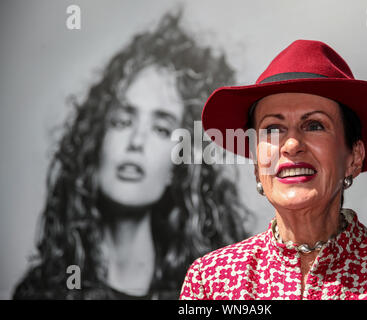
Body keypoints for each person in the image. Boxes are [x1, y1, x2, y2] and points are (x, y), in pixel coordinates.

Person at [180, 39, 367, 300]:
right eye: (273, 129)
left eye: (315, 125)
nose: (292, 145)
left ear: (353, 157)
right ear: (255, 164)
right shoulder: (210, 281)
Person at [13, 11, 250, 300]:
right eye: (122, 122)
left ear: (182, 167)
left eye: (162, 129)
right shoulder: (43, 291)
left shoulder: (213, 292)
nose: (136, 141)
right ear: (96, 140)